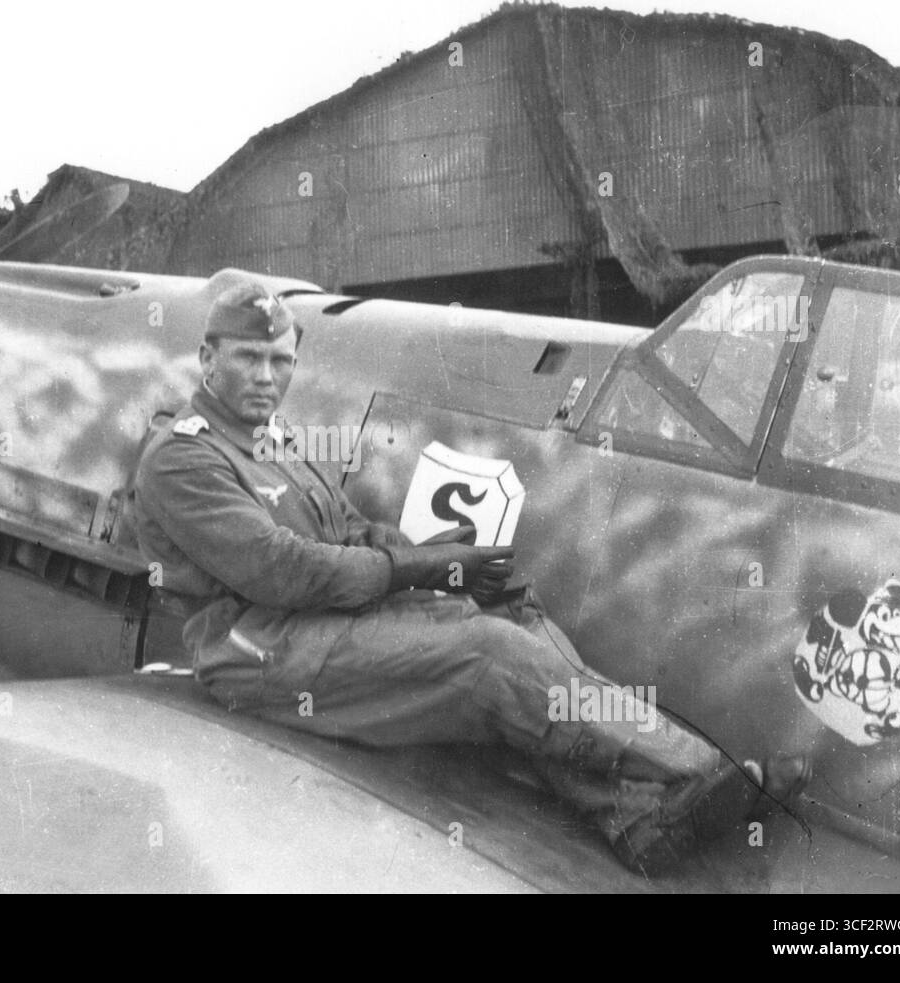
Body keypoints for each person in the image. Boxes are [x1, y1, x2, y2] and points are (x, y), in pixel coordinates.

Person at [129, 278, 810, 875]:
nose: (266, 376)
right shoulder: (183, 459)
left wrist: (451, 570)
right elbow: (285, 573)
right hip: (258, 649)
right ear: (208, 358)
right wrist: (423, 567)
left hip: (324, 619)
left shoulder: (275, 440)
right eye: (248, 357)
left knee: (512, 614)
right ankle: (704, 773)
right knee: (486, 658)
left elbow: (353, 532)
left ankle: (639, 819)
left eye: (281, 360)